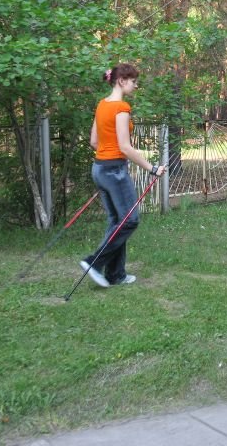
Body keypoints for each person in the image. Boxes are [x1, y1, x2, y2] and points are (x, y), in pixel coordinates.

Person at [80, 64, 164, 287]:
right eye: (133, 81)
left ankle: (115, 274)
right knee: (130, 220)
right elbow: (125, 147)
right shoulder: (121, 108)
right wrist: (152, 168)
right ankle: (94, 262)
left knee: (118, 221)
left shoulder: (102, 105)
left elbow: (94, 142)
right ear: (121, 81)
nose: (135, 85)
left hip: (99, 169)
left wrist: (108, 155)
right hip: (114, 171)